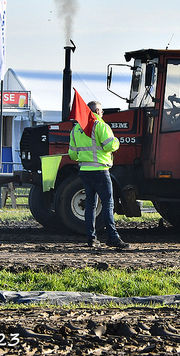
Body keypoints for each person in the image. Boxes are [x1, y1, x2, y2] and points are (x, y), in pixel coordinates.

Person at [69, 101, 129, 249]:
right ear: (96, 110)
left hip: (84, 172)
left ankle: (91, 238)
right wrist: (116, 142)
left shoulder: (76, 129)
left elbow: (72, 155)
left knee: (90, 205)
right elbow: (110, 145)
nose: (102, 114)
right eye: (101, 111)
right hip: (100, 171)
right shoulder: (100, 125)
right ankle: (113, 237)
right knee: (108, 204)